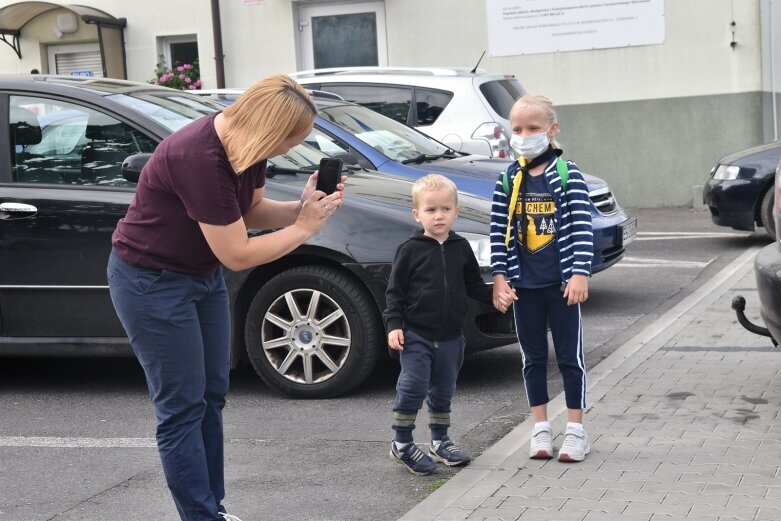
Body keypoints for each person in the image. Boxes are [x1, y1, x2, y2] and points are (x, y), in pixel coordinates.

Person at [107, 74, 344, 521]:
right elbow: (238, 253)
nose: (288, 150)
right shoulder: (197, 157)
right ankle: (201, 516)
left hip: (200, 276)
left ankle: (211, 509)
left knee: (212, 395)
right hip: (150, 282)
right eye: (290, 140)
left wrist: (304, 207)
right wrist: (304, 230)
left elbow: (250, 210)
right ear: (268, 129)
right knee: (181, 407)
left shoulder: (246, 147)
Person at [383, 174, 512, 475]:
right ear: (417, 214)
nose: (438, 215)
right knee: (413, 386)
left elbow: (472, 286)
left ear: (456, 211)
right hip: (416, 335)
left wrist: (496, 295)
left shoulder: (460, 247)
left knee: (443, 391)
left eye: (445, 209)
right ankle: (401, 444)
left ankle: (440, 442)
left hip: (453, 338)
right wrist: (394, 325)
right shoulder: (409, 250)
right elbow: (395, 293)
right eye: (431, 210)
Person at [489, 94, 593, 463]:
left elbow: (582, 226)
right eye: (517, 129)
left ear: (552, 130)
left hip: (562, 286)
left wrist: (580, 272)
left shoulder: (567, 174)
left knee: (569, 358)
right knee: (532, 359)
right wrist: (500, 278)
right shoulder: (509, 177)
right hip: (524, 288)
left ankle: (577, 431)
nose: (524, 135)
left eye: (533, 128)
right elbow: (497, 231)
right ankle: (541, 428)